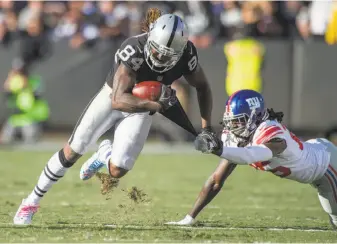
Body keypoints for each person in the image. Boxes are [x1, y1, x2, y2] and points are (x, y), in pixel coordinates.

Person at [13, 8, 215, 225]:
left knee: (118, 169)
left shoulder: (187, 54)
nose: (162, 58)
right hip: (113, 97)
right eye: (158, 51)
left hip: (141, 109)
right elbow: (118, 99)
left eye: (168, 55)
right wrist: (155, 104)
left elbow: (203, 87)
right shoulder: (133, 48)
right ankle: (31, 201)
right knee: (73, 149)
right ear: (150, 40)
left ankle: (104, 155)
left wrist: (206, 128)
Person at [166, 89, 337, 229]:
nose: (233, 127)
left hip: (326, 166)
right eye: (231, 122)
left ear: (255, 117)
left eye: (239, 122)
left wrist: (219, 149)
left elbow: (251, 155)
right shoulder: (238, 137)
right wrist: (190, 217)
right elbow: (216, 181)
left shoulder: (270, 132)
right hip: (314, 161)